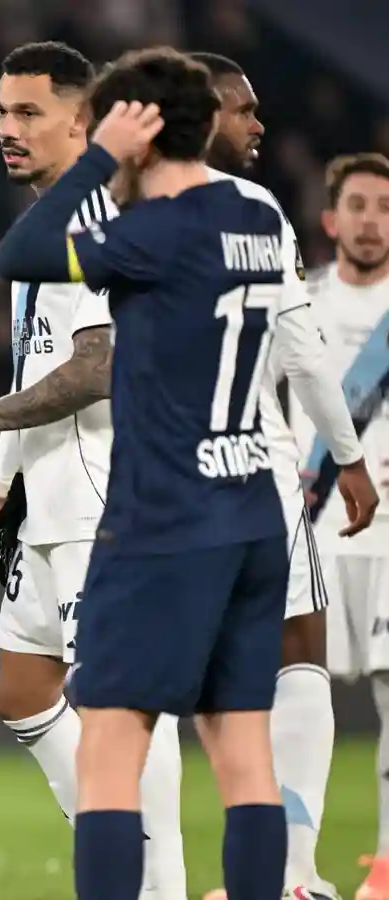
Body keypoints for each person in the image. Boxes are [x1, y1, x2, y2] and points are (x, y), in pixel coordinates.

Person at [0, 48, 353, 900]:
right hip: (252, 501)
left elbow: (24, 249)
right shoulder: (257, 214)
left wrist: (103, 156)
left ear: (138, 128)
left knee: (111, 745)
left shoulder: (144, 234)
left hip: (160, 510)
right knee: (243, 751)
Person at [0, 41, 189, 900]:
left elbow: (97, 364)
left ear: (82, 120)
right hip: (48, 494)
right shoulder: (45, 221)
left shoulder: (99, 216)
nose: (7, 130)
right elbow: (36, 362)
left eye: (27, 113)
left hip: (107, 498)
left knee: (119, 705)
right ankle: (116, 853)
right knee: (22, 692)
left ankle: (154, 880)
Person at [188, 51, 377, 900]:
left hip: (159, 483)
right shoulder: (254, 211)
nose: (259, 124)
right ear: (200, 113)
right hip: (254, 473)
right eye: (242, 109)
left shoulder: (119, 208)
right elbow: (302, 356)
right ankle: (287, 875)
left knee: (186, 688)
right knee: (298, 653)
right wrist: (348, 459)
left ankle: (201, 878)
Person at [291, 152, 389, 900]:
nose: (371, 220)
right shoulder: (299, 302)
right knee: (294, 700)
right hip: (308, 532)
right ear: (332, 219)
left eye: (385, 207)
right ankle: (294, 871)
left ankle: (387, 868)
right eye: (358, 205)